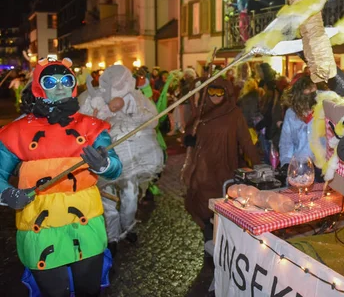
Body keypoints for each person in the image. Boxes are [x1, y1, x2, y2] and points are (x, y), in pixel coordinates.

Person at [0, 57, 122, 297]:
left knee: (88, 291)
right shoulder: (16, 131)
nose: (60, 86)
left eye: (66, 79)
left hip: (86, 223)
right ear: (38, 86)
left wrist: (104, 164)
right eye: (51, 81)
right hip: (39, 226)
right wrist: (6, 193)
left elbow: (116, 168)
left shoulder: (92, 127)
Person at [80, 65, 164, 254]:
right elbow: (85, 123)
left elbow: (154, 119)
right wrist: (107, 111)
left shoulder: (137, 98)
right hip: (106, 158)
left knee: (130, 197)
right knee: (107, 200)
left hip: (132, 159)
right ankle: (113, 237)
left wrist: (131, 112)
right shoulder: (94, 98)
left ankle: (128, 229)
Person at [182, 78, 260, 240]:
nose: (215, 96)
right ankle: (208, 235)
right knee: (203, 203)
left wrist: (258, 164)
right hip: (203, 168)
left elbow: (245, 141)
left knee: (222, 201)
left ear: (227, 93)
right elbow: (190, 134)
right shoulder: (202, 112)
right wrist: (190, 137)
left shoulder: (234, 114)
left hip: (224, 166)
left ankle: (223, 236)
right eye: (211, 92)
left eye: (220, 92)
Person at [279, 75, 323, 181]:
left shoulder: (324, 110)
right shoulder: (291, 114)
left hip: (321, 168)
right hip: (299, 168)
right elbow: (286, 142)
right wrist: (286, 163)